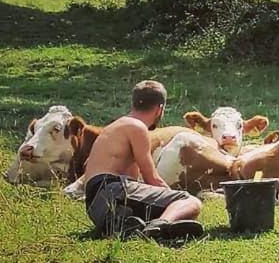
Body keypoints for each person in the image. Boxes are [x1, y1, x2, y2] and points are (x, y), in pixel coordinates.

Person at [83, 80, 204, 240]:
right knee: (188, 202)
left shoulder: (115, 126)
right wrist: (177, 198)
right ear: (160, 109)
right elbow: (151, 178)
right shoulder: (137, 127)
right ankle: (159, 226)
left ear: (133, 103)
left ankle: (128, 226)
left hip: (95, 206)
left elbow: (137, 182)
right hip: (113, 191)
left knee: (168, 207)